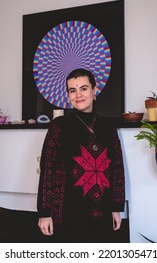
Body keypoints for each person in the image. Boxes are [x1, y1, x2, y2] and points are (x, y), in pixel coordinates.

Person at [37, 68, 125, 242]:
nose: (78, 95)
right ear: (68, 96)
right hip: (67, 211)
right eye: (72, 90)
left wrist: (116, 208)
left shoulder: (108, 127)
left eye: (83, 88)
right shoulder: (59, 126)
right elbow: (47, 169)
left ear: (94, 91)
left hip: (102, 211)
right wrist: (44, 212)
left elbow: (117, 168)